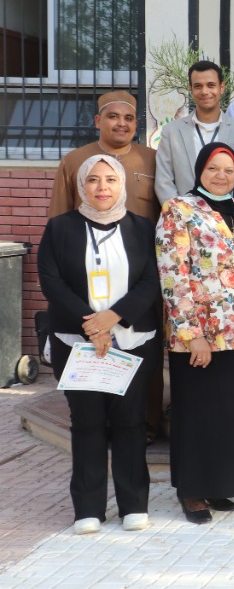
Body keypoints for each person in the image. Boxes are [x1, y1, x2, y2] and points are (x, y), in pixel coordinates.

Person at [38, 155, 161, 535]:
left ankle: (133, 505)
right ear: (81, 186)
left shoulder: (142, 229)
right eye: (93, 179)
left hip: (131, 341)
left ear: (122, 184)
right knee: (87, 423)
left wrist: (114, 317)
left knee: (130, 422)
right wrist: (92, 324)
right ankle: (88, 508)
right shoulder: (60, 228)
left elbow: (152, 280)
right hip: (78, 342)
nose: (102, 187)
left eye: (110, 179)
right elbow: (51, 281)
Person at [156, 143, 234, 524]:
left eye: (228, 170)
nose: (221, 176)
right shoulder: (179, 209)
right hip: (197, 333)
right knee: (195, 411)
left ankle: (219, 485)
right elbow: (173, 275)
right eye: (214, 168)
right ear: (200, 170)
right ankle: (192, 491)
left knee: (225, 412)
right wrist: (193, 335)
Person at [50, 90, 159, 223]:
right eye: (113, 117)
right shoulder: (73, 160)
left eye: (128, 118)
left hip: (142, 237)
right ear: (98, 121)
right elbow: (59, 216)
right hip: (86, 236)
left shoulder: (153, 159)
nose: (122, 123)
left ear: (135, 123)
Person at [156, 61, 234, 205]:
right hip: (185, 214)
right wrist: (180, 212)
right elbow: (163, 180)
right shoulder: (172, 131)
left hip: (229, 214)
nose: (204, 91)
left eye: (211, 85)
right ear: (190, 88)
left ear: (222, 88)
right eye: (198, 86)